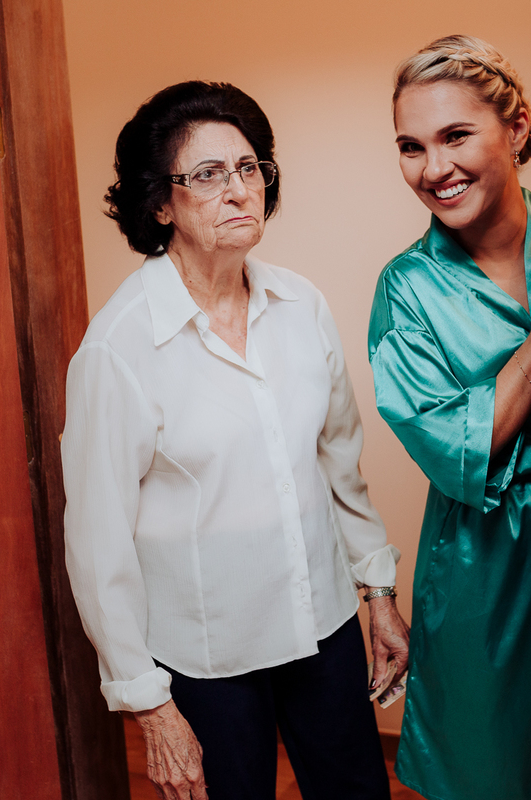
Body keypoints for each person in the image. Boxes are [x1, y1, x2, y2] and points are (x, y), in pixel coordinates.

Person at [61, 81, 409, 800]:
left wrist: (377, 592)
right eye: (209, 175)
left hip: (324, 626)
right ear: (161, 203)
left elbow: (339, 464)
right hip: (208, 660)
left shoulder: (301, 304)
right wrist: (149, 704)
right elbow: (98, 543)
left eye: (250, 169)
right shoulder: (118, 349)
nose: (239, 190)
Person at [367, 35, 531, 800]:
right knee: (491, 772)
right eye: (411, 146)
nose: (433, 168)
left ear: (519, 128)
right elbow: (452, 447)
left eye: (455, 135)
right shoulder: (406, 289)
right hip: (485, 572)